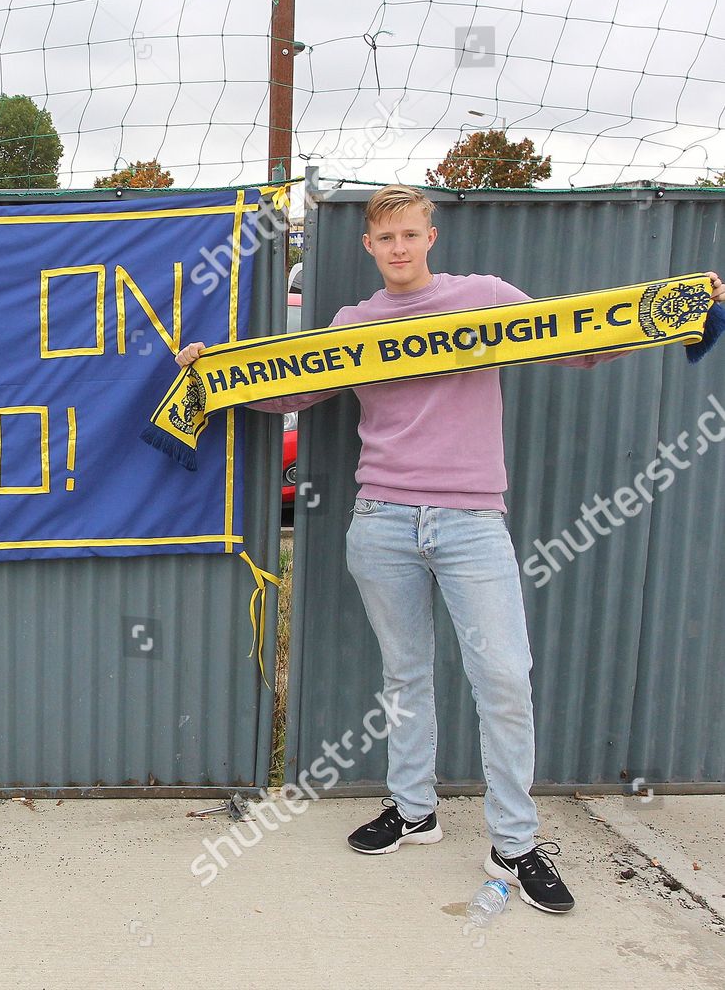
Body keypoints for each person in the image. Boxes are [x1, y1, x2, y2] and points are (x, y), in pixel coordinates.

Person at [176, 184, 724, 914]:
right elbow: (292, 394)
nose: (398, 248)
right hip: (382, 519)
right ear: (368, 247)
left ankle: (516, 844)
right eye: (385, 238)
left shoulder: (483, 298)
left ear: (429, 237)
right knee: (404, 676)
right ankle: (414, 809)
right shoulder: (353, 323)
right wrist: (215, 372)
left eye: (410, 234)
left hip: (471, 522)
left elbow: (578, 346)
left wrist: (682, 307)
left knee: (502, 676)